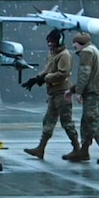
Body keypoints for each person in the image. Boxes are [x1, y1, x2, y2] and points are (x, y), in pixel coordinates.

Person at [21, 29, 80, 160]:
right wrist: (36, 79)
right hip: (53, 93)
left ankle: (77, 149)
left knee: (67, 122)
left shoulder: (64, 55)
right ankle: (40, 149)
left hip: (62, 93)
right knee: (48, 121)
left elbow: (63, 73)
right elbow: (47, 69)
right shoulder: (53, 55)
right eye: (48, 41)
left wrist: (45, 78)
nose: (49, 44)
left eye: (52, 41)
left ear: (59, 41)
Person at [68, 32, 99, 164]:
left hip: (92, 91)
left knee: (93, 120)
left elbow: (85, 73)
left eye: (75, 43)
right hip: (97, 89)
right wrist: (74, 89)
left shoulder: (87, 53)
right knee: (86, 121)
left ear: (80, 43)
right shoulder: (94, 50)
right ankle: (84, 150)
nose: (74, 46)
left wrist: (78, 92)